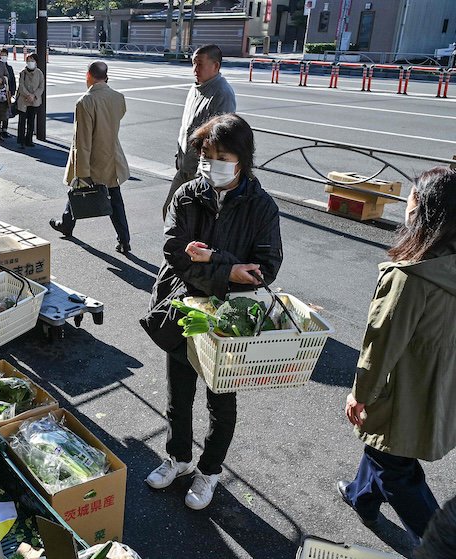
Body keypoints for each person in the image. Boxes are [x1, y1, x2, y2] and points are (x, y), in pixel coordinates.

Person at [144, 113, 282, 510]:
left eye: (220, 156)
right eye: (206, 155)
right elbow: (174, 251)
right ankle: (179, 458)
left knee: (220, 398)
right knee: (179, 390)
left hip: (226, 317)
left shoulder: (261, 207)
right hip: (183, 307)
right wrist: (228, 269)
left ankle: (210, 471)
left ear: (242, 158)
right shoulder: (188, 194)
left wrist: (214, 259)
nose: (210, 165)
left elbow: (264, 270)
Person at [338, 167, 456, 542]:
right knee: (382, 449)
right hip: (443, 388)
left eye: (411, 199)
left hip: (403, 391)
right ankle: (361, 497)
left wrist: (360, 394)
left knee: (394, 466)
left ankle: (441, 544)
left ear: (422, 210)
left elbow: (380, 346)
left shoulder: (409, 276)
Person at [48, 61, 132, 253]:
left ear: (88, 76)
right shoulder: (118, 98)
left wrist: (82, 171)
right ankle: (124, 239)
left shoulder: (85, 101)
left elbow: (82, 141)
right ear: (106, 76)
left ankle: (66, 225)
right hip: (113, 155)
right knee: (115, 198)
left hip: (93, 159)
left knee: (78, 188)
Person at [163, 44, 236, 219]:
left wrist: (204, 172)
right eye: (193, 64)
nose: (195, 69)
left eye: (200, 64)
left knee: (186, 219)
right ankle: (179, 246)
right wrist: (178, 155)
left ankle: (185, 246)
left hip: (202, 173)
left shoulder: (222, 93)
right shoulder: (195, 88)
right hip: (185, 166)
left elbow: (219, 138)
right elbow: (186, 127)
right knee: (170, 211)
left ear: (216, 66)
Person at [16, 53, 43, 149]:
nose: (30, 62)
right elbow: (21, 86)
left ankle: (29, 139)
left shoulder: (39, 73)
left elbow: (41, 86)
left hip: (34, 101)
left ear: (36, 62)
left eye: (32, 60)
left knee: (31, 121)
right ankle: (21, 140)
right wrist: (28, 95)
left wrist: (34, 95)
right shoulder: (23, 73)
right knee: (22, 121)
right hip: (23, 100)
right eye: (28, 60)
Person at [0, 47, 16, 137]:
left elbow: (12, 80)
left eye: (5, 55)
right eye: (2, 55)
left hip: (7, 92)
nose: (3, 57)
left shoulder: (9, 68)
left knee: (6, 111)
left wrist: (12, 92)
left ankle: (4, 129)